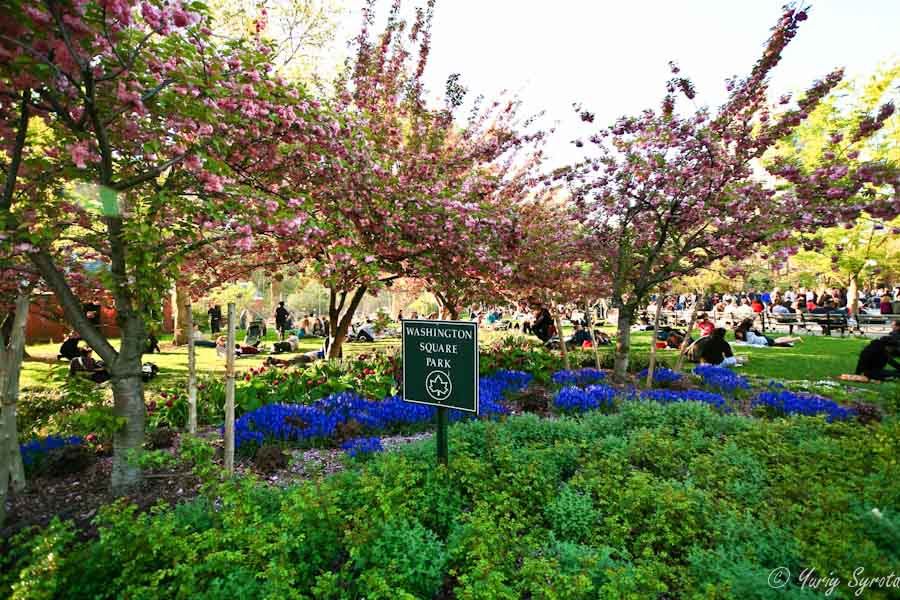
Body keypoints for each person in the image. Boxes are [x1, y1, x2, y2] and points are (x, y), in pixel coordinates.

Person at [734, 318, 802, 347]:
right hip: (763, 339)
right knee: (776, 340)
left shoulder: (747, 332)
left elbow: (750, 341)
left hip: (763, 341)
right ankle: (788, 337)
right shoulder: (746, 331)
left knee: (778, 342)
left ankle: (796, 338)